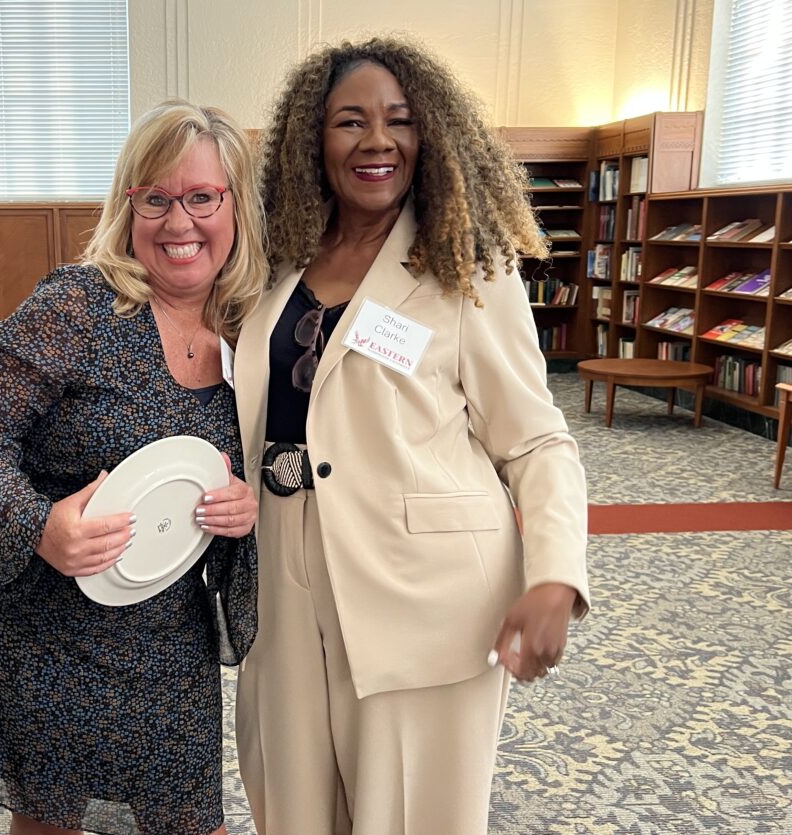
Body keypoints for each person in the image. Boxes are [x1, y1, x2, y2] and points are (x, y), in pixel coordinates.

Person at [232, 37, 591, 834]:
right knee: (289, 807)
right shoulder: (279, 263)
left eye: (399, 120)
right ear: (310, 140)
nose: (376, 141)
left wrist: (555, 575)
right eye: (348, 122)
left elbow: (536, 441)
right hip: (280, 579)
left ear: (431, 135)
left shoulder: (464, 268)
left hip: (423, 592)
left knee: (410, 815)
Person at [0, 100, 268, 835]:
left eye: (202, 197)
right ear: (127, 205)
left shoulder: (255, 326)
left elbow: (268, 460)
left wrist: (243, 509)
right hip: (48, 635)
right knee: (48, 825)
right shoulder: (78, 307)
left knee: (191, 823)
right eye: (156, 198)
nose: (179, 222)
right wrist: (40, 525)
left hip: (168, 644)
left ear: (236, 206)